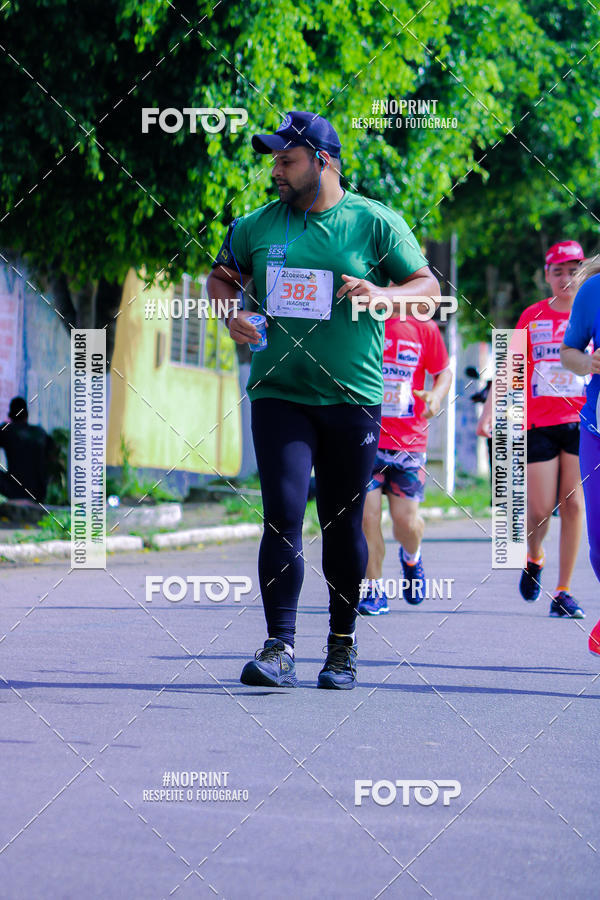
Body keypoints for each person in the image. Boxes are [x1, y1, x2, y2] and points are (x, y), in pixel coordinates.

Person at [207, 111, 440, 689]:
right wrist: (230, 312)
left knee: (341, 523)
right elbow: (220, 280)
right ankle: (279, 648)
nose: (276, 172)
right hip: (280, 394)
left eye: (286, 161)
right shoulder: (256, 225)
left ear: (323, 161)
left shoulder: (373, 222)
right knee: (283, 515)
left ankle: (342, 648)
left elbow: (428, 291)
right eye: (275, 162)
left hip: (350, 399)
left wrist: (381, 294)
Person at [478, 241, 587, 618]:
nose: (566, 278)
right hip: (539, 422)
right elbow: (509, 368)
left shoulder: (592, 314)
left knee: (573, 505)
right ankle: (535, 556)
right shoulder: (532, 315)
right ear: (546, 276)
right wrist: (489, 413)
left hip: (583, 420)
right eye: (558, 271)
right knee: (540, 510)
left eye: (573, 270)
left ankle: (564, 592)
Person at [359, 314, 452, 613]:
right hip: (365, 437)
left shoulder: (423, 327)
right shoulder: (361, 319)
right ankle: (373, 589)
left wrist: (436, 397)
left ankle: (411, 557)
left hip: (408, 444)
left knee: (406, 523)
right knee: (366, 517)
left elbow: (443, 372)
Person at [560, 260, 600, 653]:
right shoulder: (594, 290)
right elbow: (568, 352)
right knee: (599, 540)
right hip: (597, 431)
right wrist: (588, 362)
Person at [0, 396, 55, 503]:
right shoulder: (40, 432)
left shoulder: (7, 431)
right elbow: (53, 457)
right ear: (27, 415)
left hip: (14, 490)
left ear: (10, 415)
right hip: (38, 492)